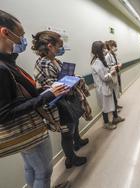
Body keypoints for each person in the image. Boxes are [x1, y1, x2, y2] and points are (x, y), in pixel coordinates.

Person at [0, 10, 69, 188]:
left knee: (32, 168)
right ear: (5, 33)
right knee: (44, 172)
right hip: (25, 126)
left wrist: (42, 91)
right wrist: (47, 95)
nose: (23, 41)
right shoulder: (2, 68)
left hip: (25, 130)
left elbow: (20, 93)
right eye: (21, 35)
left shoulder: (7, 62)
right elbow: (5, 113)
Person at [32, 31, 88, 169]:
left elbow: (61, 78)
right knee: (67, 132)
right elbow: (53, 87)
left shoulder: (55, 61)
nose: (61, 48)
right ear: (50, 46)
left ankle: (78, 141)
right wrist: (70, 82)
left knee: (74, 122)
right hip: (60, 104)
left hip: (68, 99)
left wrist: (73, 78)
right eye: (59, 45)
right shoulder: (44, 63)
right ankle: (70, 158)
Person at [91, 41, 125, 129]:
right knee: (105, 107)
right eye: (103, 49)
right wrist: (112, 72)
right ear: (98, 50)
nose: (105, 50)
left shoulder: (101, 60)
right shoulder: (97, 62)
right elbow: (104, 77)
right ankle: (106, 123)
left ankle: (115, 118)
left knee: (112, 102)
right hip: (102, 89)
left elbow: (106, 70)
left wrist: (112, 69)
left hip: (108, 86)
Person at [105, 40, 124, 112]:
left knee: (116, 92)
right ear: (109, 46)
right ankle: (114, 109)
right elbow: (108, 68)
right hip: (112, 77)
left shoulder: (114, 55)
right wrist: (116, 66)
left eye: (115, 46)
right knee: (113, 93)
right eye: (114, 46)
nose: (115, 47)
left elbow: (117, 62)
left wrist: (119, 65)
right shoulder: (107, 56)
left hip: (117, 74)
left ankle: (116, 105)